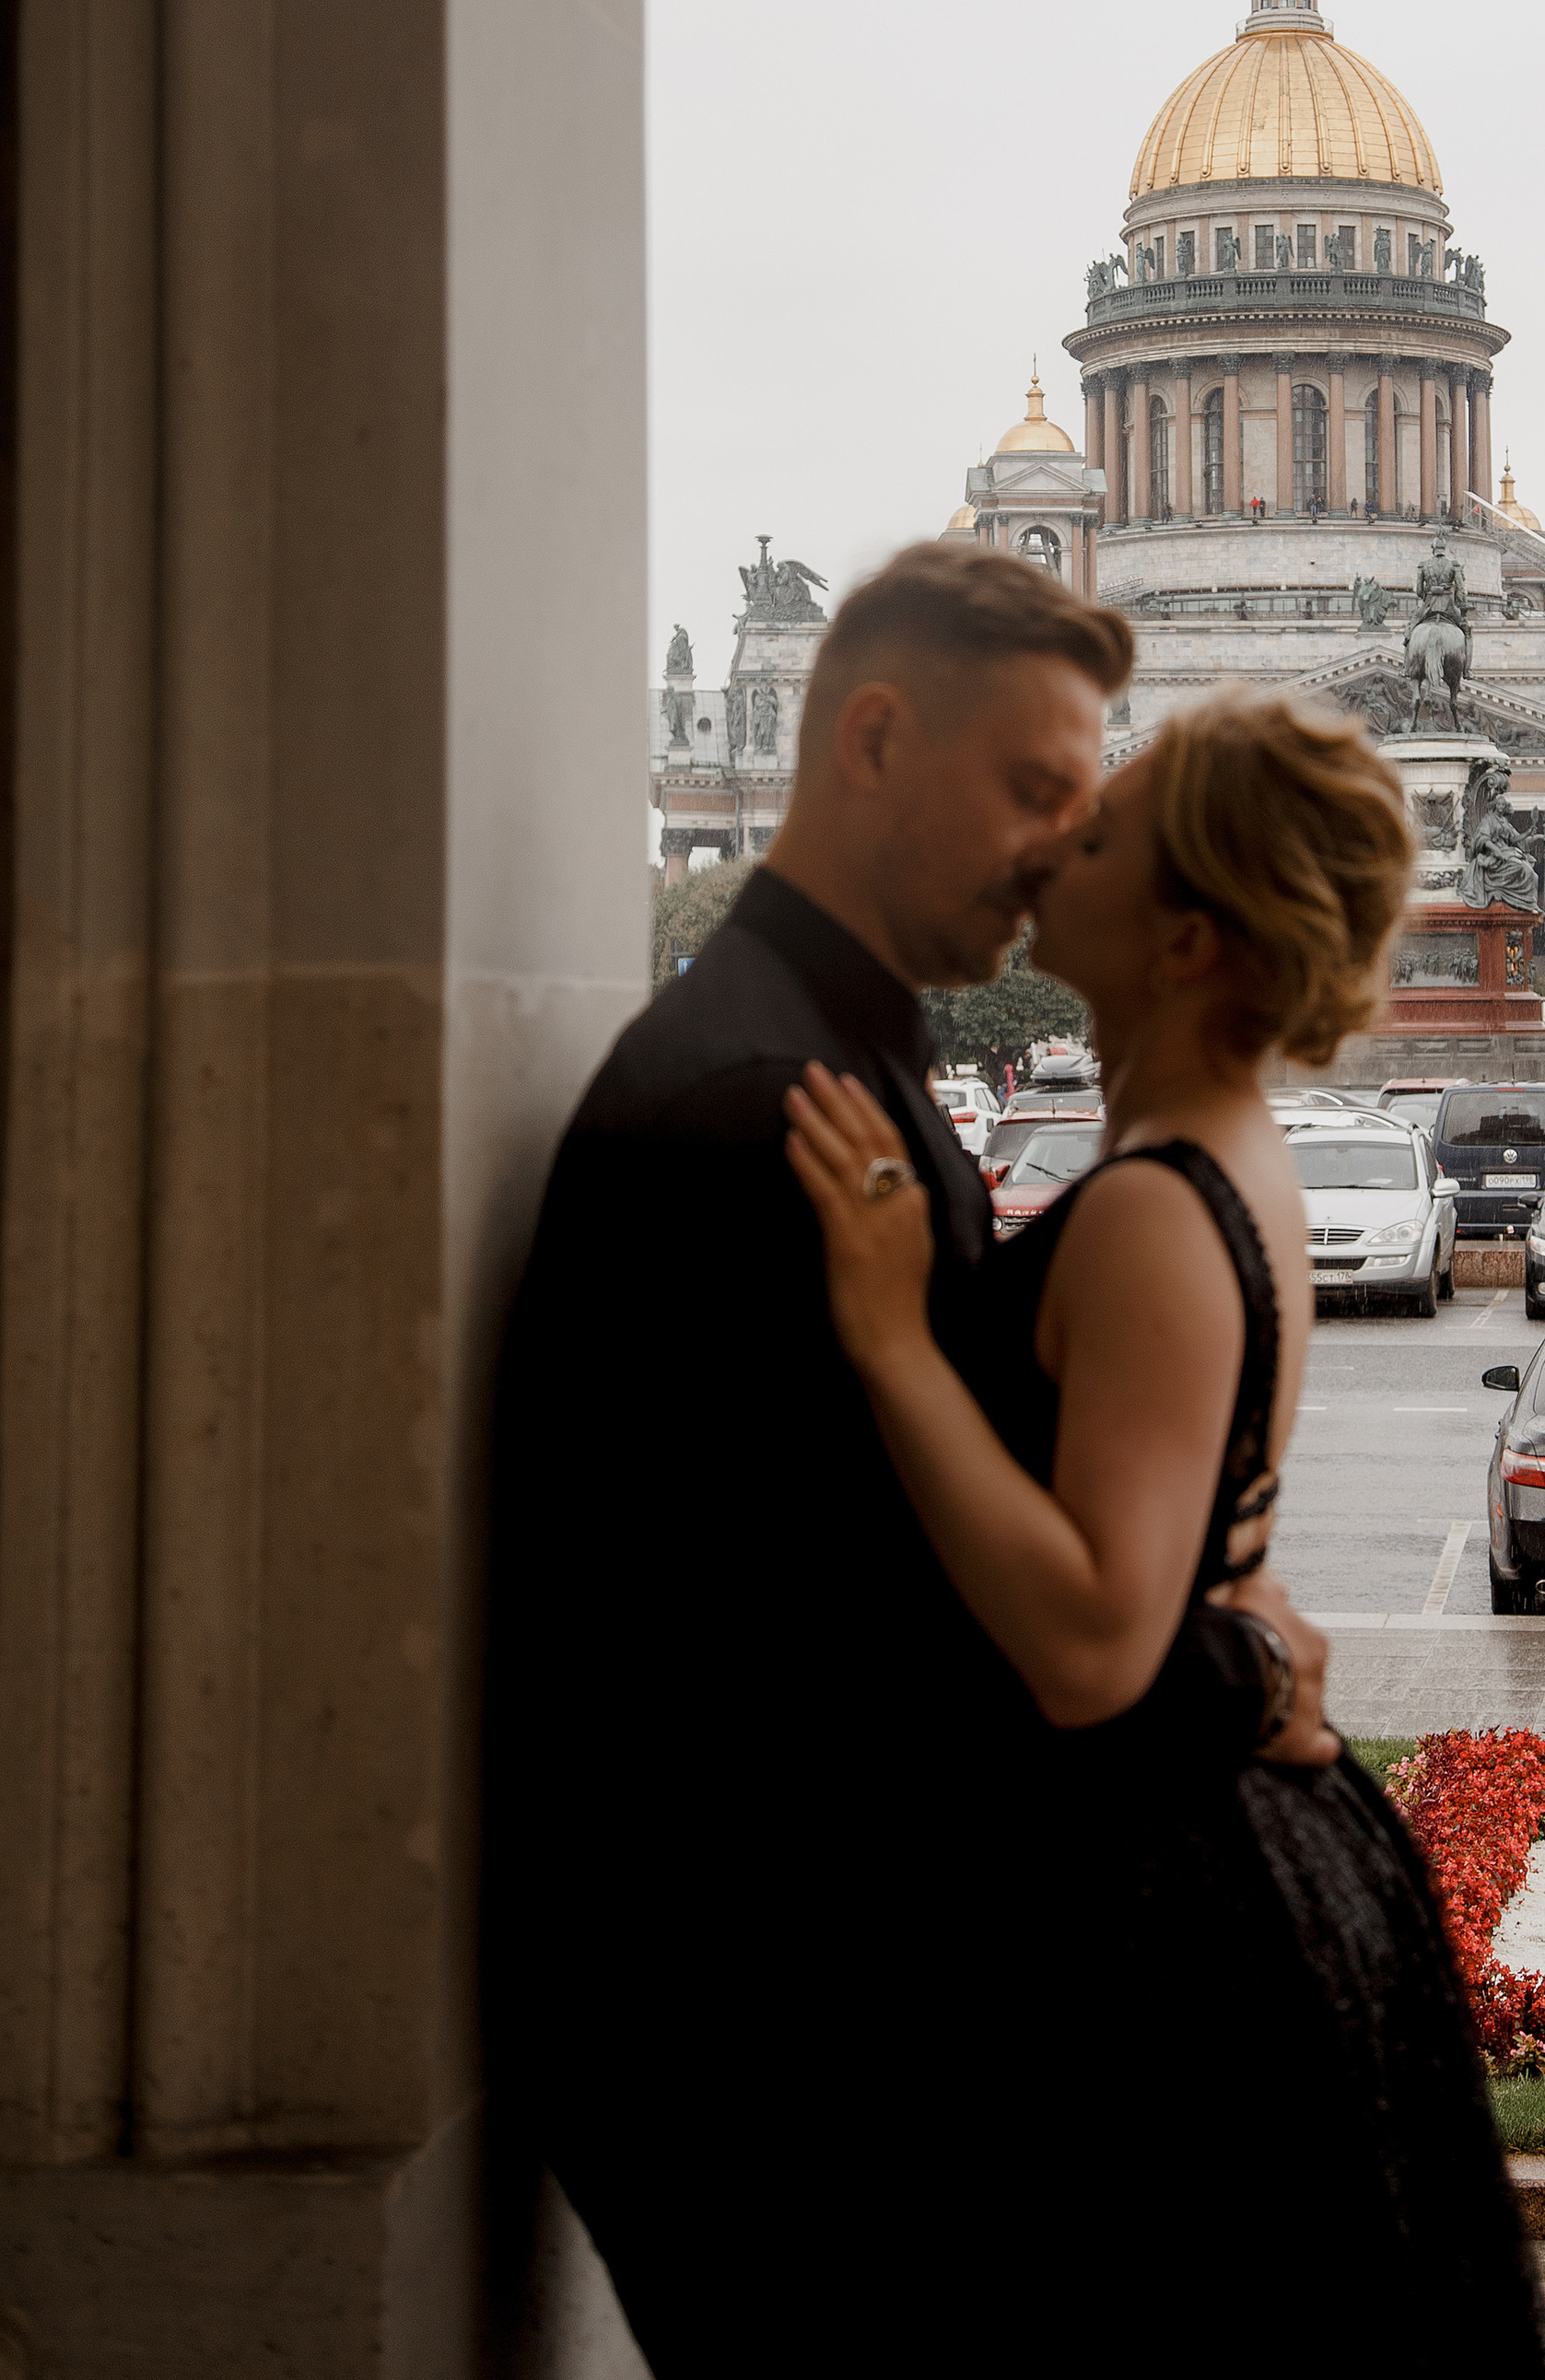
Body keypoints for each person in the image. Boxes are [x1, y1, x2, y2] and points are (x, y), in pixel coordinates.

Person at [486, 546, 1335, 2370]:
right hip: (772, 2042)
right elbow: (877, 1641)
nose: (1057, 848)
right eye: (1034, 788)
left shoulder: (827, 1058)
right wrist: (1235, 1664)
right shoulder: (761, 1104)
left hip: (811, 2004)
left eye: (1084, 810)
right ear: (872, 740)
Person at [788, 686, 1545, 2374]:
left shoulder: (1151, 1206)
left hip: (1150, 1894)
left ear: (1189, 937)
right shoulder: (1226, 1155)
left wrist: (892, 1334)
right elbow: (1212, 1536)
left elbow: (1088, 1646)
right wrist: (1244, 1629)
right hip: (1235, 1843)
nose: (1057, 841)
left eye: (1104, 838)